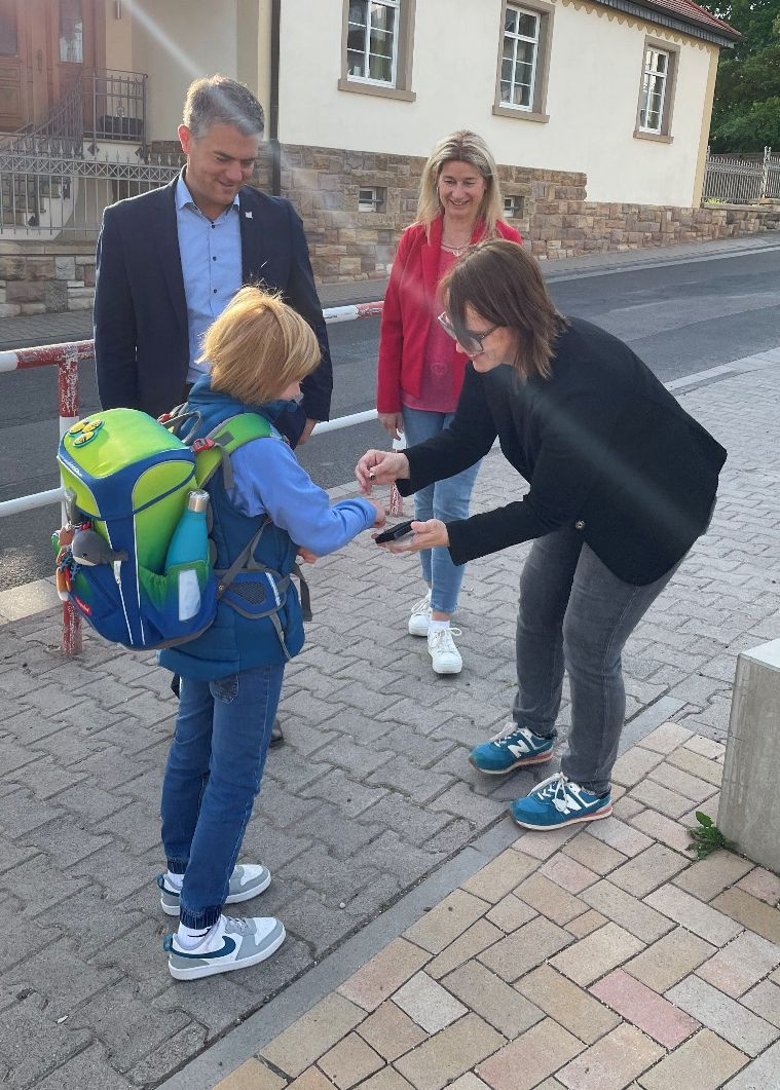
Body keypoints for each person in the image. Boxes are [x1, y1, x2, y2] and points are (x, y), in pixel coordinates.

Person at [357, 239, 726, 832]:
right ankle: (533, 729)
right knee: (538, 600)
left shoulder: (586, 379)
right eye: (453, 326)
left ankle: (588, 784)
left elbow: (547, 507)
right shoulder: (492, 357)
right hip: (584, 498)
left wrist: (449, 534)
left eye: (471, 334)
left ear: (517, 317)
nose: (459, 345)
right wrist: (406, 463)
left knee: (590, 642)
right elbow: (469, 438)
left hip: (652, 513)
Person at [94, 74, 332, 745]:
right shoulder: (129, 224)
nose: (235, 174)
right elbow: (114, 344)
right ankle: (197, 678)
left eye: (247, 163)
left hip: (260, 421)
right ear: (184, 141)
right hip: (174, 428)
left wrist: (313, 401)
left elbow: (306, 312)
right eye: (221, 159)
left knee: (256, 554)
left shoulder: (276, 219)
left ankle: (246, 684)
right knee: (187, 553)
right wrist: (129, 438)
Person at [157, 287, 384, 980]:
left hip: (191, 614)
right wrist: (365, 512)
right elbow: (315, 525)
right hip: (247, 629)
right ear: (262, 376)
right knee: (237, 774)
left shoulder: (189, 414)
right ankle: (199, 931)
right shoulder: (258, 445)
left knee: (190, 748)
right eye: (291, 375)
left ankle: (182, 872)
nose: (297, 388)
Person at [376, 131, 522, 676]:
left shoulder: (504, 242)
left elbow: (519, 324)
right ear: (435, 182)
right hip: (418, 392)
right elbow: (392, 322)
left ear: (487, 186)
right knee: (422, 503)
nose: (458, 192)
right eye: (449, 181)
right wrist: (387, 397)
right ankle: (433, 592)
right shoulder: (414, 240)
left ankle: (441, 619)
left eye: (469, 182)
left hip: (475, 398)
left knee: (453, 509)